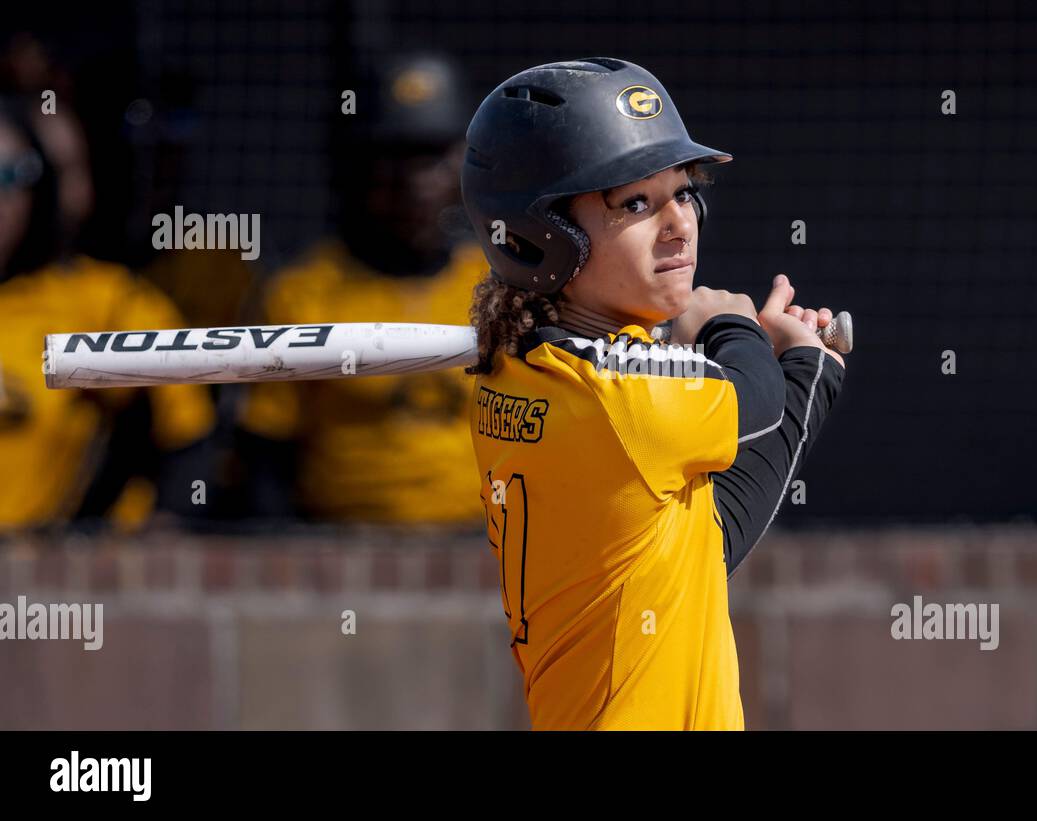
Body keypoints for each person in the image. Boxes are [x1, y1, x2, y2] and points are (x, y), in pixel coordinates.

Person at [461, 58, 847, 730]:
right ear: (544, 235)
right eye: (635, 203)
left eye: (683, 192)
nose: (680, 223)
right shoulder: (621, 396)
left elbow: (705, 540)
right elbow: (752, 402)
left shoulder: (520, 365)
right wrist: (727, 323)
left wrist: (808, 374)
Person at [237, 53, 486, 524]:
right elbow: (264, 453)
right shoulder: (304, 292)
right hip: (340, 554)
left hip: (486, 554)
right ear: (356, 168)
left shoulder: (500, 287)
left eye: (430, 158)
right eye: (391, 158)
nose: (413, 183)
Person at [0, 97, 214, 531]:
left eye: (10, 176)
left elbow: (190, 438)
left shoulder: (104, 301)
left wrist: (136, 552)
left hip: (37, 575)